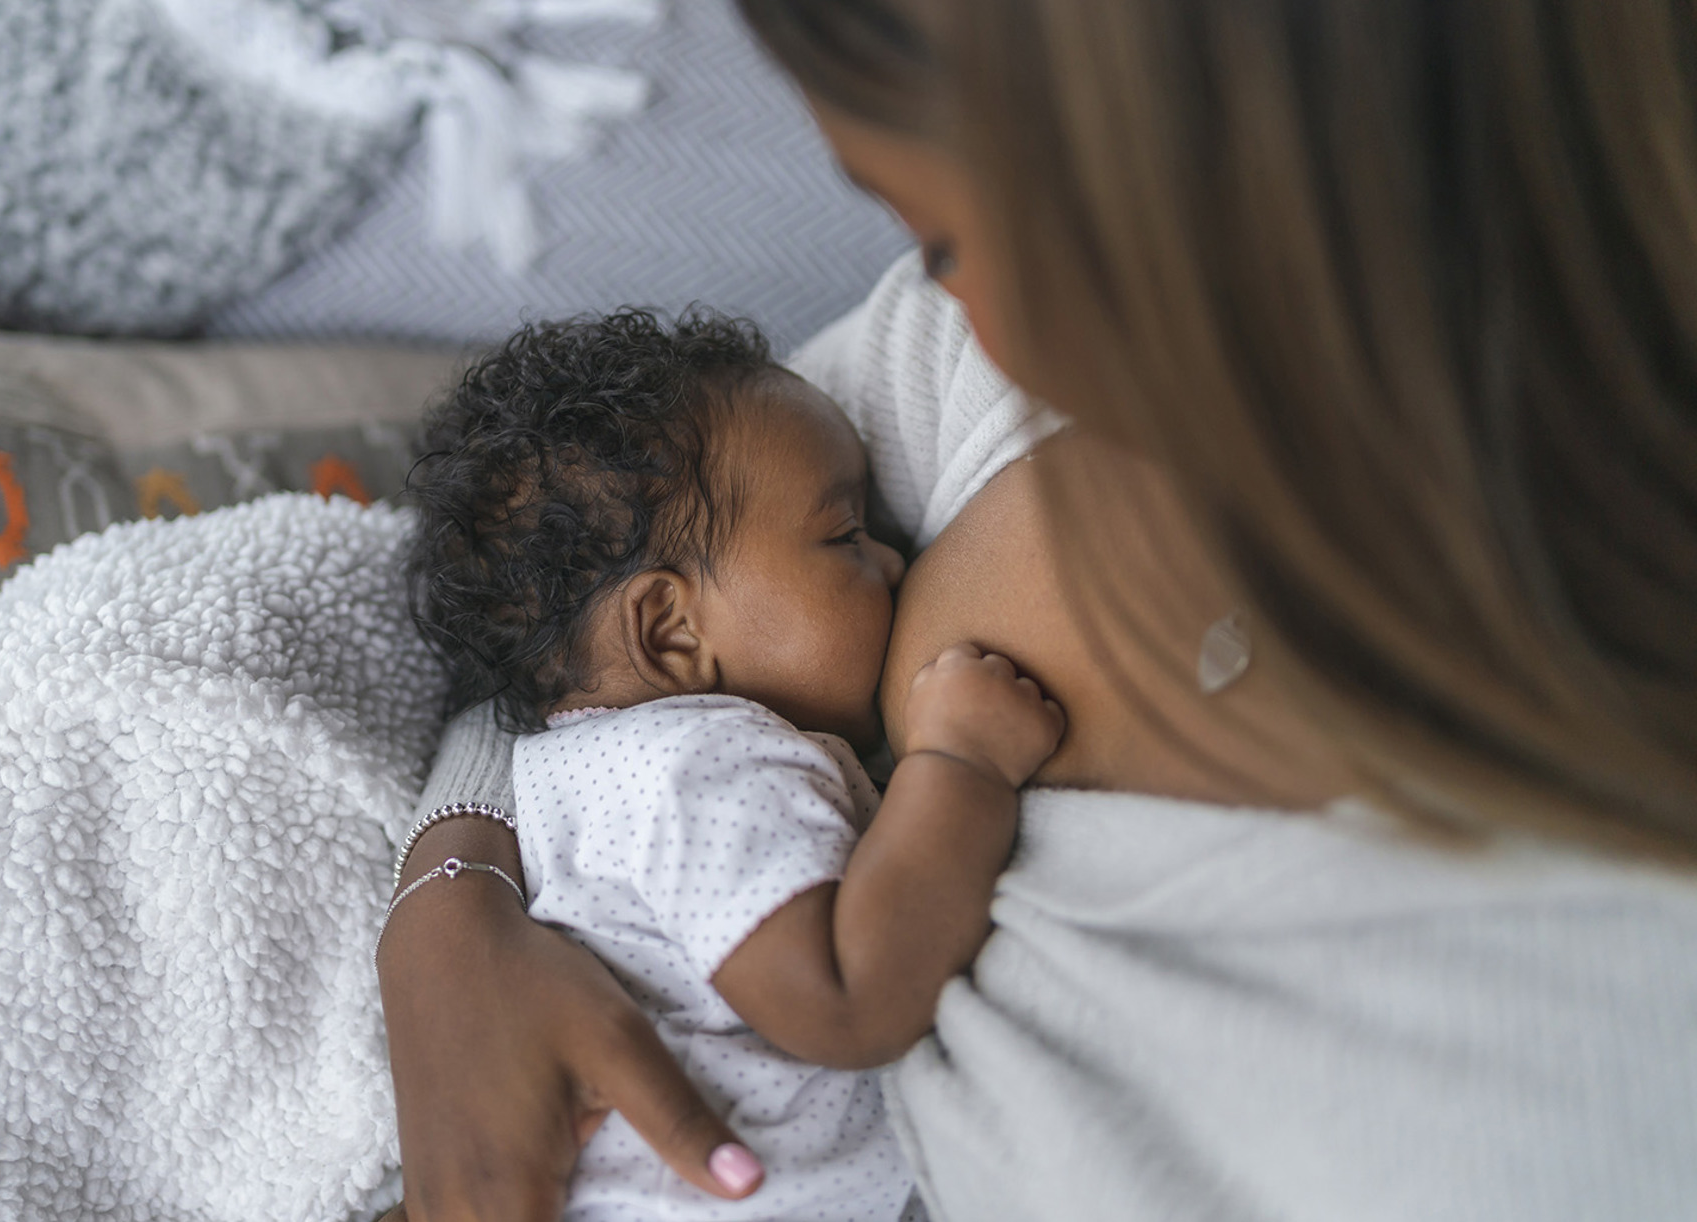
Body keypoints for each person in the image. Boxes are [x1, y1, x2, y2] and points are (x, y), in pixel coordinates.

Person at [376, 2, 1697, 1219]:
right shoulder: (929, 389)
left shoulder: (1585, 1028)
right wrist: (450, 904)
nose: (943, 295)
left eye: (952, 237)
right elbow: (564, 616)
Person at [394, 309, 1059, 1219]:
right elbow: (845, 996)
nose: (897, 561)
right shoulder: (702, 764)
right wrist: (963, 763)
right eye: (844, 536)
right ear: (670, 630)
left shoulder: (587, 771)